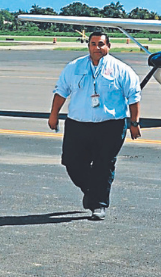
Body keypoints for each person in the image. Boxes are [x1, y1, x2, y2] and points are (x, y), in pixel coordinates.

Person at [48, 30, 141, 220]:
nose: (97, 48)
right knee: (72, 163)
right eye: (93, 44)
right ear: (88, 46)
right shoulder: (74, 67)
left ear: (108, 46)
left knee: (103, 165)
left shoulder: (121, 70)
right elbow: (61, 91)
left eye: (101, 44)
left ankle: (99, 204)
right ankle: (91, 192)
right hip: (78, 123)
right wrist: (54, 115)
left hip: (111, 125)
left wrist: (134, 122)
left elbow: (134, 96)